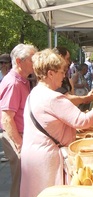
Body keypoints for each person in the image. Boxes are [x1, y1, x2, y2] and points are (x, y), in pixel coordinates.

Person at [20, 48, 93, 197]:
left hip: (33, 155)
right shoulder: (52, 98)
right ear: (50, 73)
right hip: (46, 159)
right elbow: (83, 121)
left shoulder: (35, 93)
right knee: (49, 193)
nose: (64, 76)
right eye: (62, 72)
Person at [0, 43, 38, 197]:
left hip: (22, 135)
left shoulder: (23, 80)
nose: (35, 62)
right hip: (17, 136)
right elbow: (7, 118)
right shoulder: (13, 83)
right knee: (21, 181)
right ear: (18, 61)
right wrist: (19, 144)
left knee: (25, 181)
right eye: (32, 59)